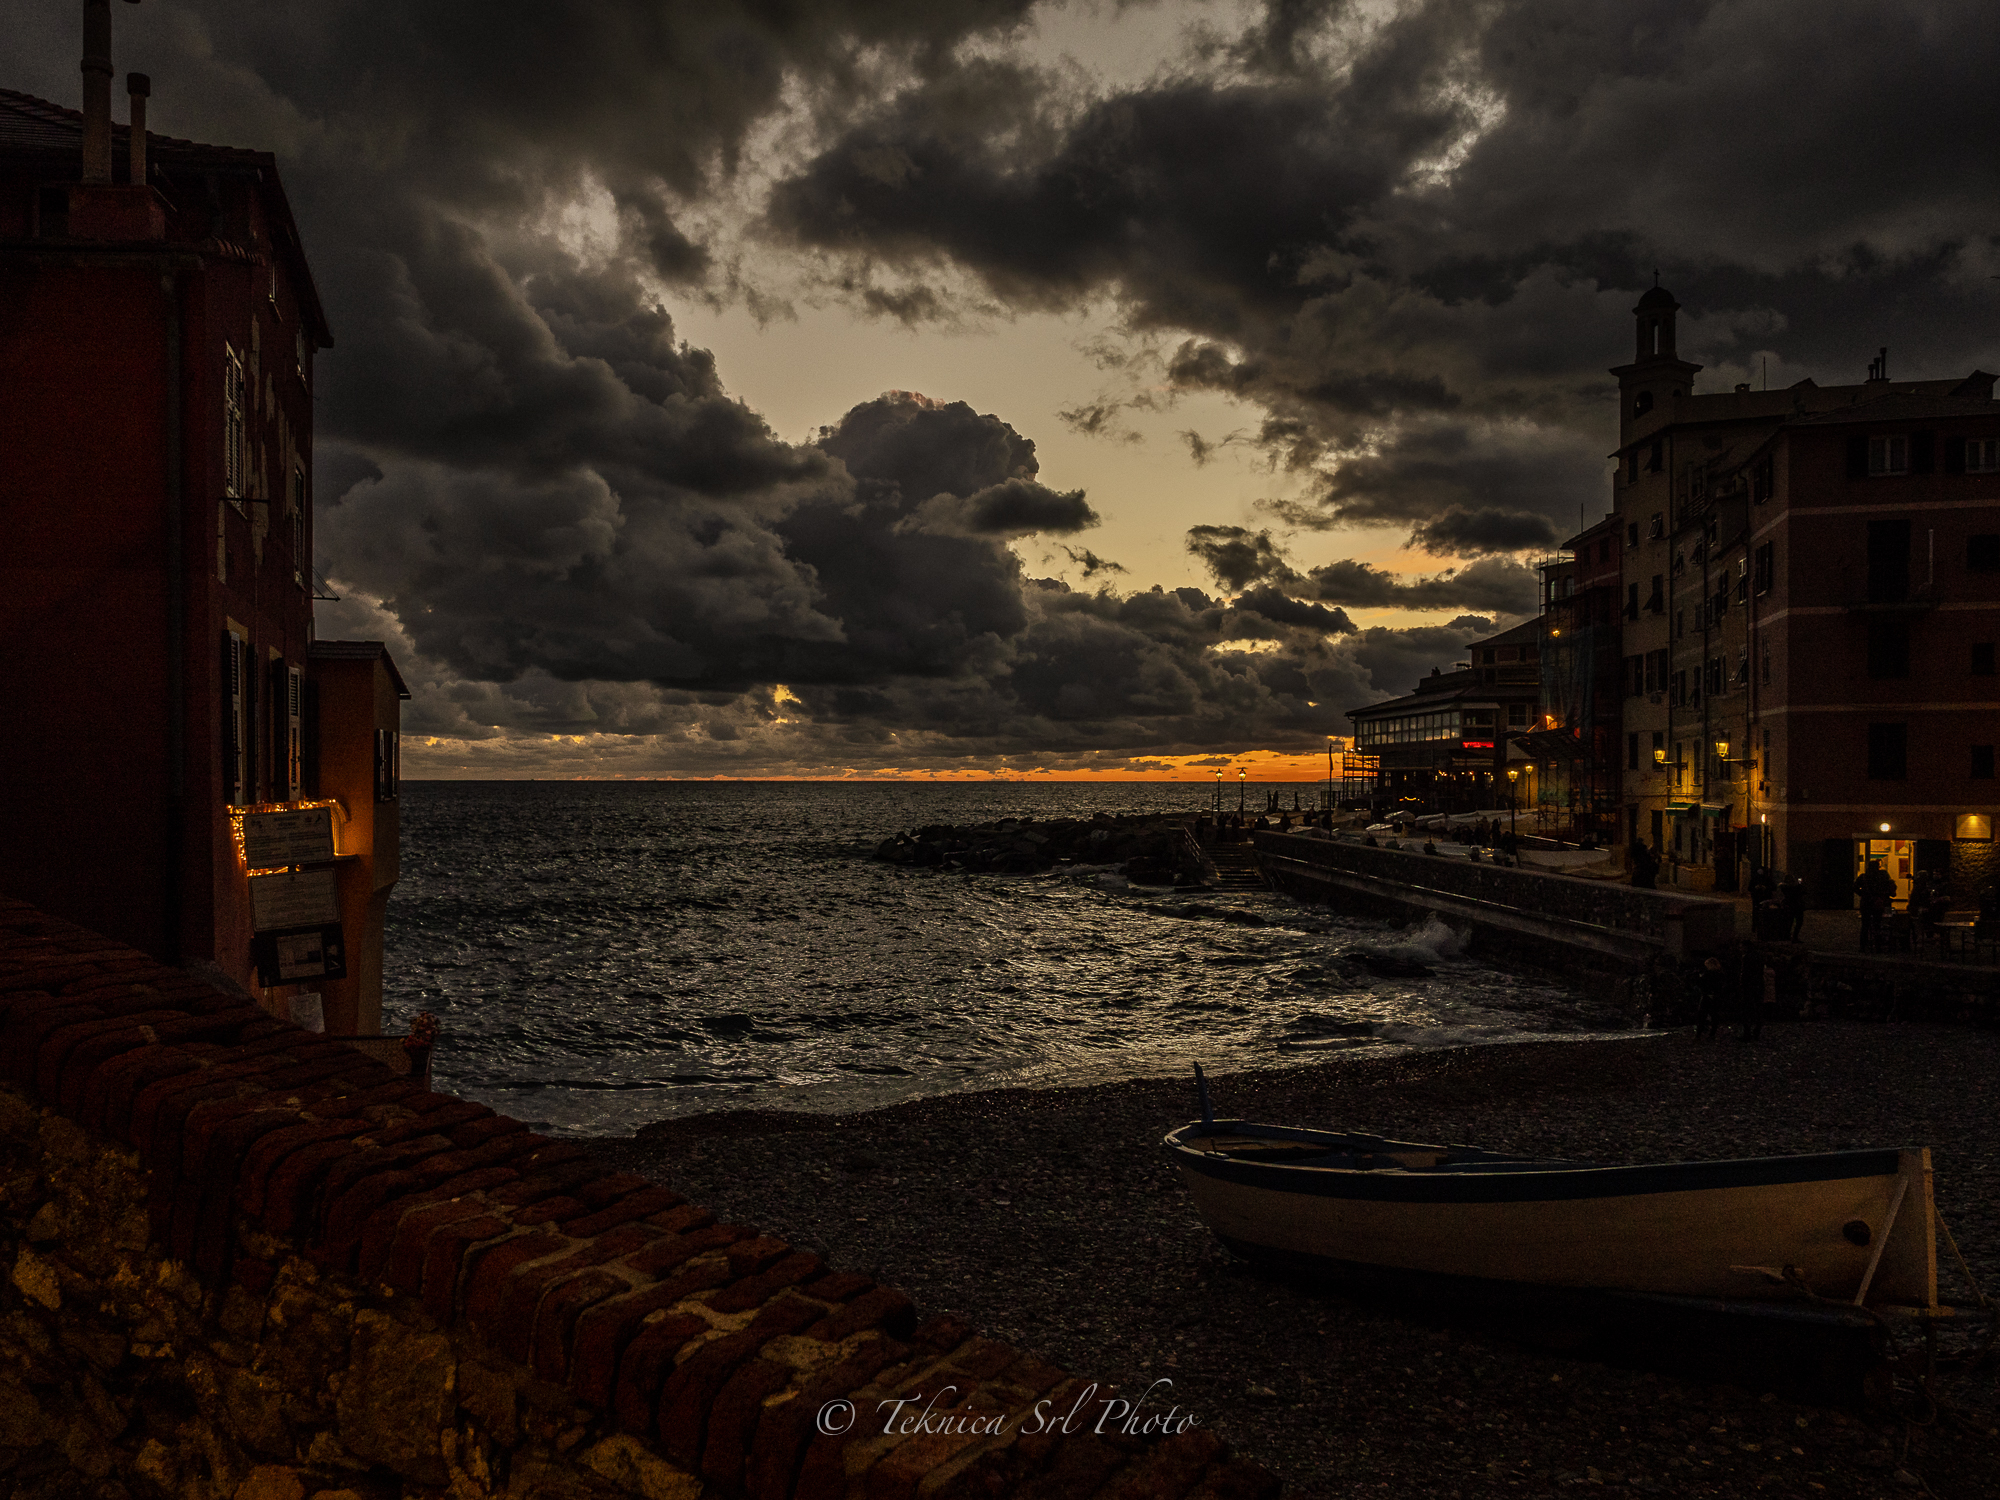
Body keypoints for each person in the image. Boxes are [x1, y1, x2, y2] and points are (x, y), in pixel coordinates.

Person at [1854, 860, 1896, 950]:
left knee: (1865, 925)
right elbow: (1888, 886)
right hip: (1877, 903)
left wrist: (1863, 894)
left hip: (1866, 903)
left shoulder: (1864, 877)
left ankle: (1863, 946)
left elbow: (1855, 887)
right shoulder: (1882, 876)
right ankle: (1877, 945)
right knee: (1877, 924)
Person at [1695, 955, 1728, 1040]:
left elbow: (1701, 983)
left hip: (1707, 996)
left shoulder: (1707, 974)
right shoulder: (1720, 975)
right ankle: (1712, 1033)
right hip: (1716, 997)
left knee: (1702, 1015)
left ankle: (1699, 1033)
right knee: (1714, 1016)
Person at [1782, 874, 1808, 942]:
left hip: (1791, 905)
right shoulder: (1792, 888)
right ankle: (1793, 936)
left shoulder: (1785, 887)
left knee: (1790, 921)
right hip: (1796, 906)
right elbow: (1802, 892)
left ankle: (1788, 935)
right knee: (1796, 921)